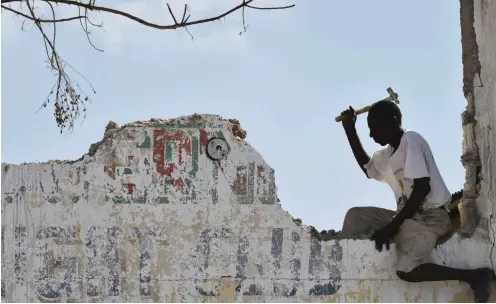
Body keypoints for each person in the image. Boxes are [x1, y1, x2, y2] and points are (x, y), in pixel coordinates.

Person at [339, 101, 492, 303]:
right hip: (407, 218)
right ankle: (351, 266)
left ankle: (476, 276)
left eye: (374, 128)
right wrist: (350, 130)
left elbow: (422, 188)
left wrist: (391, 228)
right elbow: (368, 168)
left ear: (392, 122)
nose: (371, 135)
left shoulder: (410, 139)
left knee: (405, 270)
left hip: (431, 218)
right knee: (355, 216)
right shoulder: (387, 154)